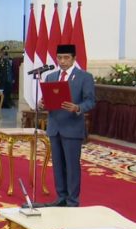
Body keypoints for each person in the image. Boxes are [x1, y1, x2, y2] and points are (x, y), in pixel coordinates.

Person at [39, 44, 95, 207]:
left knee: (71, 166)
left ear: (74, 58)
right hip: (54, 127)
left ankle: (72, 200)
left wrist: (78, 108)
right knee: (57, 165)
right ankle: (61, 197)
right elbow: (49, 101)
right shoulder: (51, 77)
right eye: (59, 58)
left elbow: (90, 101)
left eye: (66, 58)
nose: (62, 61)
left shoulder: (84, 77)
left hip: (72, 128)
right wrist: (42, 104)